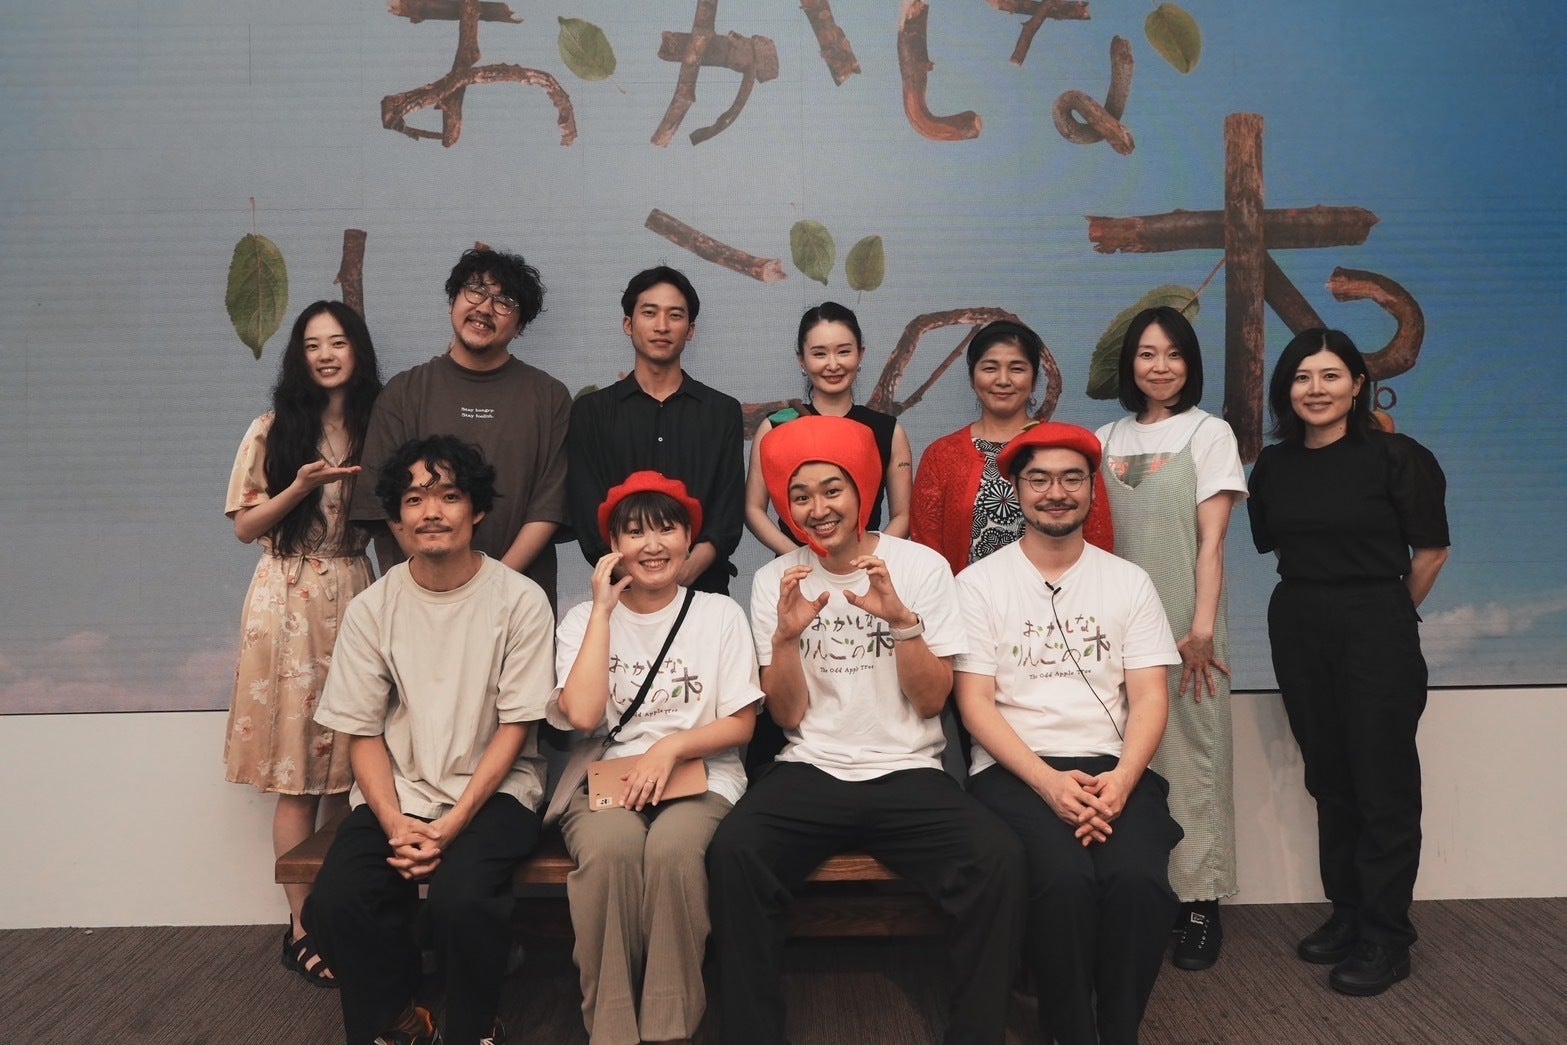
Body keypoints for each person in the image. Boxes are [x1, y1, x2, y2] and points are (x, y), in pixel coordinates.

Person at [706, 415, 1024, 1045]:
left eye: (833, 490)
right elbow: (787, 716)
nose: (818, 509)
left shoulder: (922, 567)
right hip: (811, 767)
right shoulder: (776, 580)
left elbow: (932, 702)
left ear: (862, 490)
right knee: (734, 853)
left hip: (908, 769)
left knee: (999, 860)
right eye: (800, 496)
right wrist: (785, 639)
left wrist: (902, 622)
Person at [307, 436, 556, 1045]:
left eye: (448, 496)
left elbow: (516, 727)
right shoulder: (373, 607)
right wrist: (396, 823)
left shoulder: (519, 600)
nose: (431, 512)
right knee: (337, 900)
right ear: (397, 518)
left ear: (477, 510)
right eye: (414, 499)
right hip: (401, 792)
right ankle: (397, 1020)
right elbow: (362, 730)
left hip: (497, 792)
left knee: (461, 900)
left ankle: (473, 1028)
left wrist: (452, 825)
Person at [954, 422, 1183, 1045]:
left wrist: (1123, 782)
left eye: (1071, 479)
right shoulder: (977, 584)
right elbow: (975, 706)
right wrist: (1049, 784)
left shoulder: (1129, 582)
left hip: (1113, 768)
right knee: (1063, 883)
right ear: (1017, 489)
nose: (1056, 493)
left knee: (1136, 882)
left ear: (1091, 489)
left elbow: (1150, 697)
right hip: (1014, 770)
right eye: (1039, 480)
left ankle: (1120, 1030)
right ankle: (1069, 1031)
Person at [1247, 329, 1449, 997]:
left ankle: (1387, 936)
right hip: (1298, 622)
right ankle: (1348, 913)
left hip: (1376, 623)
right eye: (1302, 377)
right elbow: (1277, 546)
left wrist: (1386, 615)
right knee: (1329, 779)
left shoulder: (1397, 457)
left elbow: (1430, 553)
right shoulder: (1273, 466)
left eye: (1330, 375)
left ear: (1357, 385)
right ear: (1285, 389)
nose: (1316, 388)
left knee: (1382, 784)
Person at [549, 472, 762, 1045]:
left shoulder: (719, 614)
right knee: (610, 851)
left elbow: (742, 722)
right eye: (635, 532)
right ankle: (613, 1028)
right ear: (613, 545)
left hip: (703, 774)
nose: (652, 545)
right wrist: (601, 612)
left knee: (673, 852)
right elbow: (584, 716)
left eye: (667, 529)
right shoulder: (581, 620)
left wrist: (669, 747)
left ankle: (669, 1027)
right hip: (609, 779)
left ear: (689, 539)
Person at [223, 299, 382, 988]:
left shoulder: (379, 427)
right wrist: (299, 486)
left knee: (351, 767)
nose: (325, 354)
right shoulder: (272, 428)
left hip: (355, 589)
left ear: (357, 350)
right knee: (297, 771)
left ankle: (344, 917)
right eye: (313, 344)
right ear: (298, 356)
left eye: (337, 342)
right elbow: (244, 526)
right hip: (287, 596)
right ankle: (301, 927)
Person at [1094, 307, 1247, 971]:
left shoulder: (1209, 433)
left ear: (1191, 363)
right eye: (1147, 354)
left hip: (1187, 625)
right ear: (1128, 364)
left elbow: (1213, 540)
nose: (1160, 367)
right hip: (1109, 628)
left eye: (1173, 354)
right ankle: (1134, 897)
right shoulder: (1102, 438)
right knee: (1121, 757)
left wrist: (1202, 628)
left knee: (1191, 758)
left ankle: (1199, 903)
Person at [349, 247, 570, 610]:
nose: (485, 308)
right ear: (453, 300)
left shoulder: (548, 397)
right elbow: (385, 501)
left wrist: (491, 585)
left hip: (516, 602)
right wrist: (438, 579)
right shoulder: (404, 393)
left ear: (520, 327)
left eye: (504, 302)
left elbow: (548, 507)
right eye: (475, 290)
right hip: (420, 602)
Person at [566, 266, 745, 594]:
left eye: (675, 315)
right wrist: (640, 577)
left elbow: (727, 513)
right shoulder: (591, 412)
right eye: (649, 313)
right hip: (621, 593)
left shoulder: (722, 411)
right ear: (628, 324)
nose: (662, 326)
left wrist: (683, 572)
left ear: (690, 330)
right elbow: (588, 513)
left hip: (702, 591)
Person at [911, 319, 1113, 579]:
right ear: (972, 377)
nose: (1003, 380)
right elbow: (926, 553)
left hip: (1061, 599)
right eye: (990, 368)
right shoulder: (941, 456)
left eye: (1017, 368)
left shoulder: (1067, 450)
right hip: (966, 601)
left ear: (1034, 378)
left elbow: (1098, 536)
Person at [744, 301, 913, 552]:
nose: (833, 365)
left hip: (866, 567)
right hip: (797, 569)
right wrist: (797, 558)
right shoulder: (777, 425)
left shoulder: (888, 431)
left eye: (843, 352)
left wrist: (868, 560)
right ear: (801, 360)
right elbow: (753, 509)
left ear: (860, 354)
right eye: (819, 354)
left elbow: (903, 515)